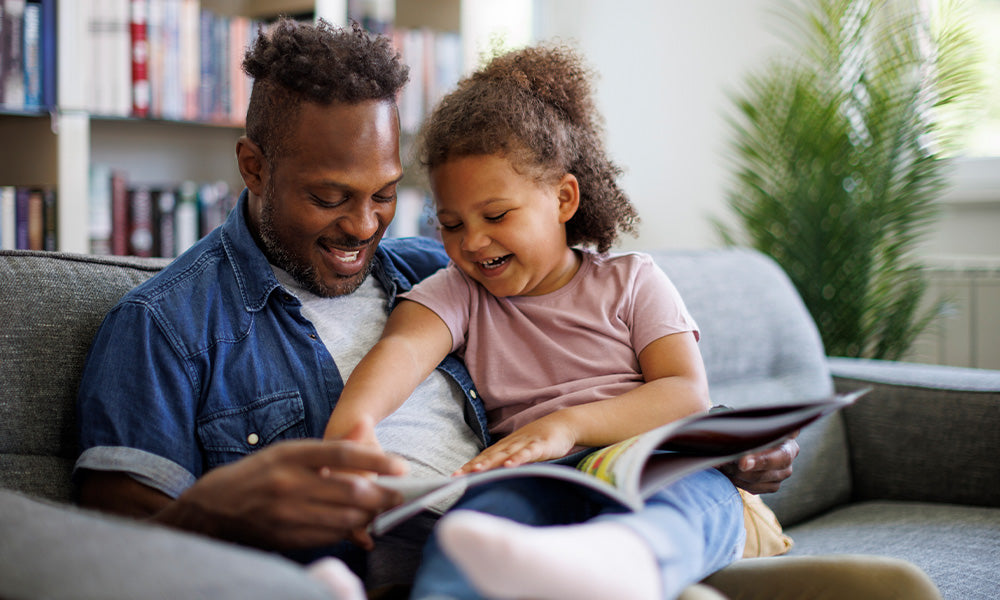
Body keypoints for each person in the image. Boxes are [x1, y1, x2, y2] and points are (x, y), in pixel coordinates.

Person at [72, 17, 937, 600]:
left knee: (889, 589)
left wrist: (734, 450)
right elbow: (104, 545)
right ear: (254, 168)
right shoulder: (166, 326)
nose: (365, 226)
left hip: (572, 529)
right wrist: (234, 510)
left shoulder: (434, 265)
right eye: (331, 197)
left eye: (384, 195)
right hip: (431, 555)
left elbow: (648, 382)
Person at [323, 43, 743, 600]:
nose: (473, 242)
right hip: (534, 476)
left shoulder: (633, 281)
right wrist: (352, 428)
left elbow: (685, 394)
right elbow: (401, 350)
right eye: (451, 224)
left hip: (644, 460)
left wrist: (565, 426)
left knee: (702, 498)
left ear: (564, 198)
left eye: (496, 215)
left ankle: (629, 565)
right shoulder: (461, 291)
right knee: (474, 524)